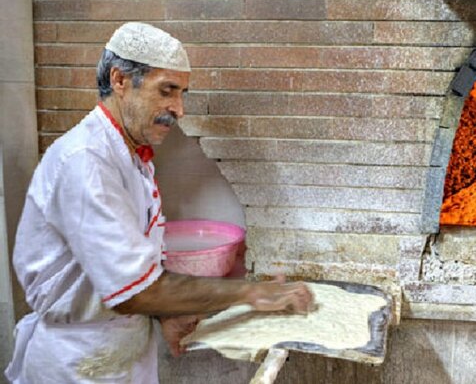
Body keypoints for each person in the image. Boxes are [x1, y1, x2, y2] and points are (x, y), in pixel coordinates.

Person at [5, 22, 313, 383]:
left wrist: (163, 315)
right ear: (120, 81)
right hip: (77, 364)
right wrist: (253, 293)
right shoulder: (86, 162)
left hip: (120, 353)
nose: (179, 109)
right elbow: (134, 291)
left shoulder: (131, 156)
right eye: (167, 91)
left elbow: (119, 272)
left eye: (182, 93)